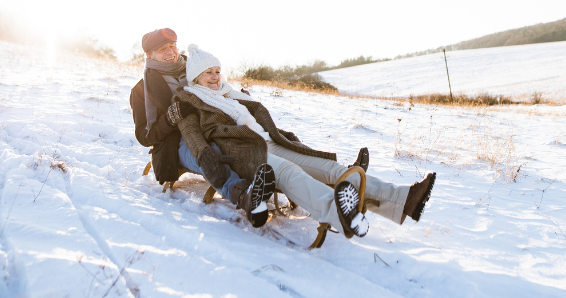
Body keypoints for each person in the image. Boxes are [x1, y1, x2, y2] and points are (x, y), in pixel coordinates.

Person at [175, 44, 436, 239]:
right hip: (245, 153)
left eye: (218, 70)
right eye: (208, 72)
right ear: (195, 77)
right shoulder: (188, 101)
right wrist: (214, 166)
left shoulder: (230, 93)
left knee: (330, 169)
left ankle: (403, 200)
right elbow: (194, 141)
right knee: (291, 174)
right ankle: (340, 213)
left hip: (270, 142)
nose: (215, 76)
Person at [130, 28, 276, 226]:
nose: (170, 52)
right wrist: (171, 117)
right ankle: (244, 196)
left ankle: (278, 174)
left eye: (172, 46)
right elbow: (143, 135)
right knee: (209, 153)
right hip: (178, 141)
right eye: (162, 49)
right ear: (149, 55)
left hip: (214, 126)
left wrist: (235, 98)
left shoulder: (194, 68)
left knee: (250, 137)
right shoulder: (141, 90)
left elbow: (216, 87)